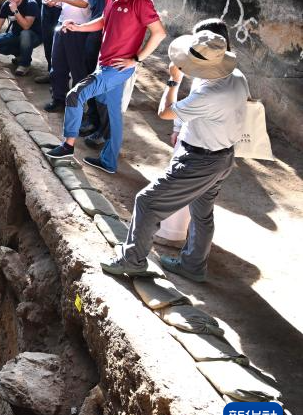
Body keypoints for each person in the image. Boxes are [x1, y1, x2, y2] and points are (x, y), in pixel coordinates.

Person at [101, 30, 248, 281]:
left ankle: (132, 260)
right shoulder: (237, 76)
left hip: (199, 161)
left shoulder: (209, 94)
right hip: (223, 157)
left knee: (147, 202)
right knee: (202, 213)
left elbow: (165, 112)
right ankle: (193, 266)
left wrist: (173, 80)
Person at [45, 0, 167, 174]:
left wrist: (136, 59)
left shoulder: (140, 0)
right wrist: (78, 27)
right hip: (105, 62)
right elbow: (103, 20)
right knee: (113, 114)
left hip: (118, 68)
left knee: (75, 95)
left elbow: (159, 33)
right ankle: (109, 162)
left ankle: (67, 146)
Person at [155, 18, 233, 246]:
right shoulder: (223, 70)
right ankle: (191, 249)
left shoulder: (213, 79)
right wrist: (178, 127)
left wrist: (173, 81)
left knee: (169, 192)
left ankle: (172, 235)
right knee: (202, 207)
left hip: (199, 145)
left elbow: (166, 111)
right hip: (217, 146)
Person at [43, 0, 91, 111]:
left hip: (79, 28)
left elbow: (84, 3)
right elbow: (65, 3)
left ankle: (76, 105)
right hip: (62, 24)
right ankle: (58, 99)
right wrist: (55, 2)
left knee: (77, 69)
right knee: (57, 65)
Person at [72, 0, 111, 147]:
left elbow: (104, 19)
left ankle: (103, 131)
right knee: (91, 80)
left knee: (102, 87)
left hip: (104, 43)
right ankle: (93, 119)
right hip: (92, 40)